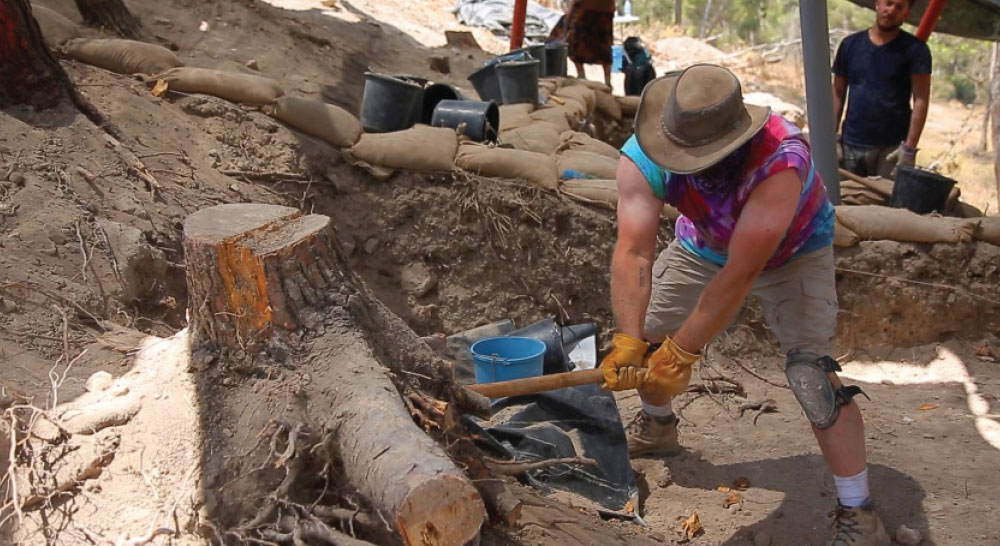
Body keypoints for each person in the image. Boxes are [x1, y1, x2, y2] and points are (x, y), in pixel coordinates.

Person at [603, 64, 889, 546]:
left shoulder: (781, 159)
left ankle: (860, 512)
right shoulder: (642, 157)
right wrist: (630, 339)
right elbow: (633, 252)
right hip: (702, 245)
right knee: (648, 332)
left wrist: (684, 352)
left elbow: (741, 273)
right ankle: (657, 427)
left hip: (794, 251)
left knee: (810, 375)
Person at [833, 0, 931, 179]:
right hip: (852, 143)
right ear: (878, 4)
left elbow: (921, 99)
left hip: (891, 148)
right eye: (888, 3)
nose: (891, 10)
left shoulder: (916, 50)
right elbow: (838, 93)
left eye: (899, 7)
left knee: (883, 203)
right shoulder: (850, 45)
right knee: (845, 201)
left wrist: (909, 148)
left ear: (906, 14)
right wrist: (831, 136)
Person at [563, 0, 615, 87]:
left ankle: (581, 75)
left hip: (586, 10)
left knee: (576, 44)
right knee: (604, 46)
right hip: (605, 9)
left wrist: (569, 14)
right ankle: (607, 81)